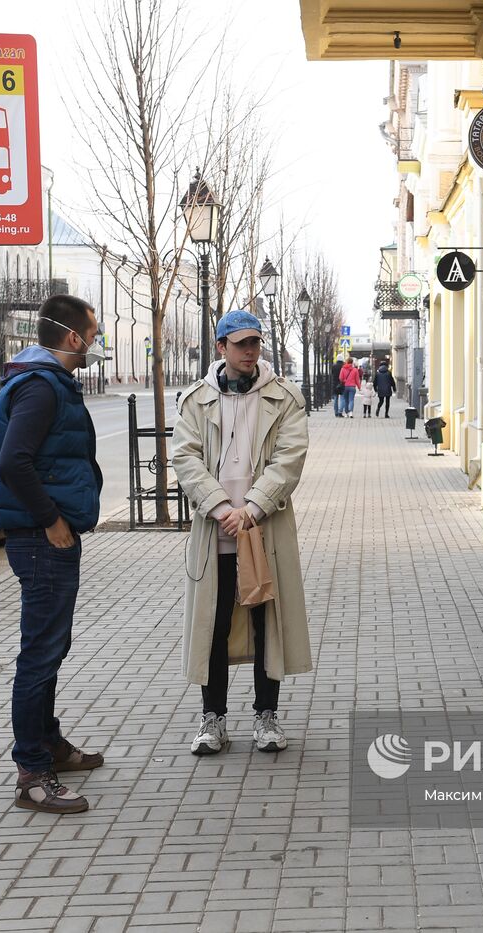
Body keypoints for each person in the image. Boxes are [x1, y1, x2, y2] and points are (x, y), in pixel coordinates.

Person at [0, 294, 106, 814]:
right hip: (41, 540)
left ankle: (48, 743)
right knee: (39, 653)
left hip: (45, 537)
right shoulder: (40, 386)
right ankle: (32, 771)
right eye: (93, 335)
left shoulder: (47, 382)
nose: (95, 343)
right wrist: (52, 521)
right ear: (73, 337)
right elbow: (15, 462)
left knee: (52, 646)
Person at [172, 309, 313, 756]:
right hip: (215, 531)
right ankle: (212, 719)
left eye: (256, 343)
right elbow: (185, 456)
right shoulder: (196, 399)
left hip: (263, 528)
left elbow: (290, 458)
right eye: (241, 344)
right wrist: (219, 506)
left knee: (264, 622)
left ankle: (266, 717)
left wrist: (251, 508)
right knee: (211, 625)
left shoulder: (284, 397)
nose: (250, 351)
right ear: (221, 348)